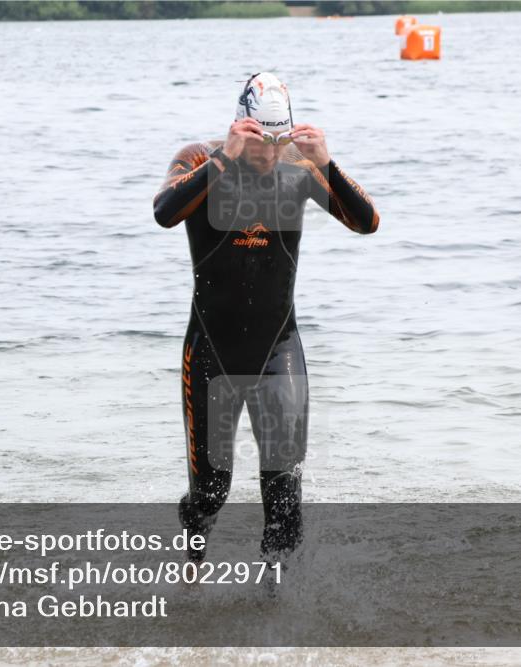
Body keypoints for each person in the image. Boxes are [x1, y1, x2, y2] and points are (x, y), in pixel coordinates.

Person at [153, 72, 379, 564]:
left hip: (278, 348)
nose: (271, 152)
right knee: (211, 493)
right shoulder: (199, 157)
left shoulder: (299, 166)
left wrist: (328, 163)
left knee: (284, 496)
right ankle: (193, 561)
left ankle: (274, 610)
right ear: (241, 125)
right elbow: (165, 213)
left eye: (280, 139)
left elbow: (367, 222)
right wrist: (225, 158)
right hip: (212, 351)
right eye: (261, 139)